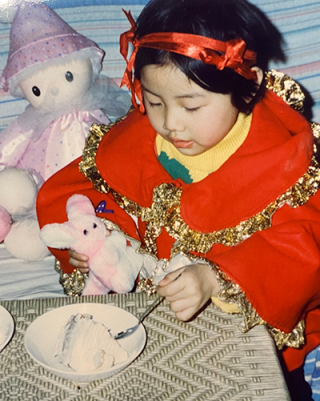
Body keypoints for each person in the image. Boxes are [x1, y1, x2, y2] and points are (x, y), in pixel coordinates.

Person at [37, 0, 320, 398]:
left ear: (249, 86)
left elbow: (304, 246)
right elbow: (77, 190)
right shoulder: (137, 140)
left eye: (191, 106)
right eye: (153, 102)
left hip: (251, 334)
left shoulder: (282, 159)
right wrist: (98, 234)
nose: (170, 123)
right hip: (150, 320)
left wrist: (217, 278)